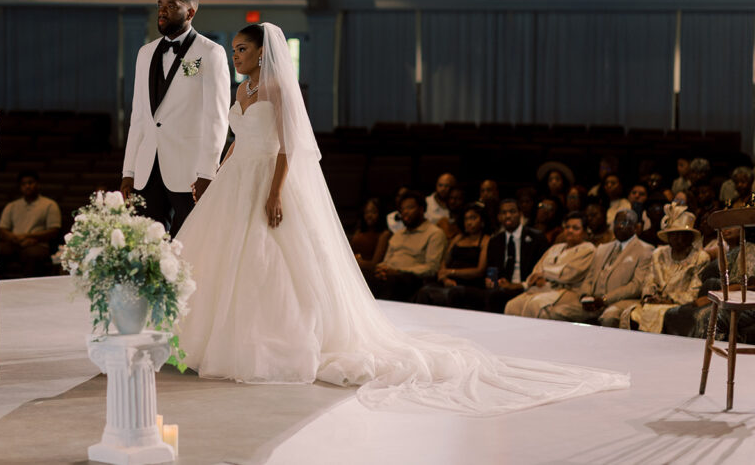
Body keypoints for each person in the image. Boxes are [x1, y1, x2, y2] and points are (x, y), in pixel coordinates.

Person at [174, 23, 627, 415]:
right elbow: (237, 139)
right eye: (233, 49)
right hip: (237, 178)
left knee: (269, 259)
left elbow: (292, 145)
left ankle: (268, 342)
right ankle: (216, 338)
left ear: (262, 52)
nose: (236, 55)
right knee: (229, 258)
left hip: (269, 179)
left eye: (243, 49)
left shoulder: (276, 89)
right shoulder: (241, 90)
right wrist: (217, 174)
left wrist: (274, 192)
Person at [120, 0, 230, 237]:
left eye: (171, 5)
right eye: (160, 5)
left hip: (190, 169)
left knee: (191, 242)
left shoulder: (210, 52)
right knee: (147, 243)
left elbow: (217, 117)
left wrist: (207, 172)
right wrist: (129, 171)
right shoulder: (145, 53)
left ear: (190, 13)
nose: (162, 11)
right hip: (148, 167)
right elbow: (138, 116)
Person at [539, 210, 654, 326]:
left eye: (624, 223)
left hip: (620, 301)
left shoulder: (645, 250)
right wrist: (585, 296)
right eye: (617, 222)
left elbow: (636, 285)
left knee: (609, 316)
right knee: (553, 313)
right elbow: (589, 277)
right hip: (594, 302)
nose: (619, 226)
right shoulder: (602, 248)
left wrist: (605, 299)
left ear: (636, 227)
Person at [619, 204, 709, 333]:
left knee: (664, 316)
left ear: (690, 237)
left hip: (680, 306)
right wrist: (649, 296)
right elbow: (649, 281)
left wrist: (668, 300)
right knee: (630, 314)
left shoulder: (700, 257)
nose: (676, 239)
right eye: (672, 234)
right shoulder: (659, 254)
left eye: (681, 234)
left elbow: (694, 292)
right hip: (655, 303)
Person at [504, 212, 596, 318]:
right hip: (543, 287)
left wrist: (544, 274)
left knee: (535, 304)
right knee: (512, 305)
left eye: (575, 228)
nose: (570, 231)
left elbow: (569, 274)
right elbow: (537, 269)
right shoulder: (556, 248)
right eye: (567, 227)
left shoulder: (588, 249)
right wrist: (537, 278)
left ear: (584, 232)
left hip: (568, 290)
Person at [368, 192, 447, 302]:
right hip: (390, 275)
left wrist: (398, 271)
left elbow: (432, 268)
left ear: (421, 209)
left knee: (392, 281)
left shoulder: (434, 233)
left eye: (410, 208)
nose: (405, 212)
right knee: (362, 276)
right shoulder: (398, 235)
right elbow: (386, 261)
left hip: (411, 279)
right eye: (402, 209)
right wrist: (381, 270)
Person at [416, 203, 492, 307]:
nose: (469, 222)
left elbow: (480, 270)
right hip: (450, 281)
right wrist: (445, 279)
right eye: (466, 219)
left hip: (470, 283)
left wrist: (452, 272)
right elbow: (444, 262)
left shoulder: (486, 240)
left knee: (454, 293)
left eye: (473, 218)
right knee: (424, 291)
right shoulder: (458, 238)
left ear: (482, 220)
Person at [0, 171, 62, 277]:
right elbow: (2, 229)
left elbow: (54, 230)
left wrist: (29, 237)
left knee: (32, 255)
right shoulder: (12, 206)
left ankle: (29, 289)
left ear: (37, 184)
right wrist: (17, 239)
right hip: (15, 242)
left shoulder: (49, 204)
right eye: (23, 184)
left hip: (38, 244)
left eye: (30, 183)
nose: (27, 186)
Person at [350, 198, 391, 273]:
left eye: (373, 212)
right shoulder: (359, 231)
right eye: (366, 212)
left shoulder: (384, 234)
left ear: (380, 213)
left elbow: (375, 264)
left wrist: (355, 263)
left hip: (367, 272)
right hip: (352, 267)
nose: (369, 215)